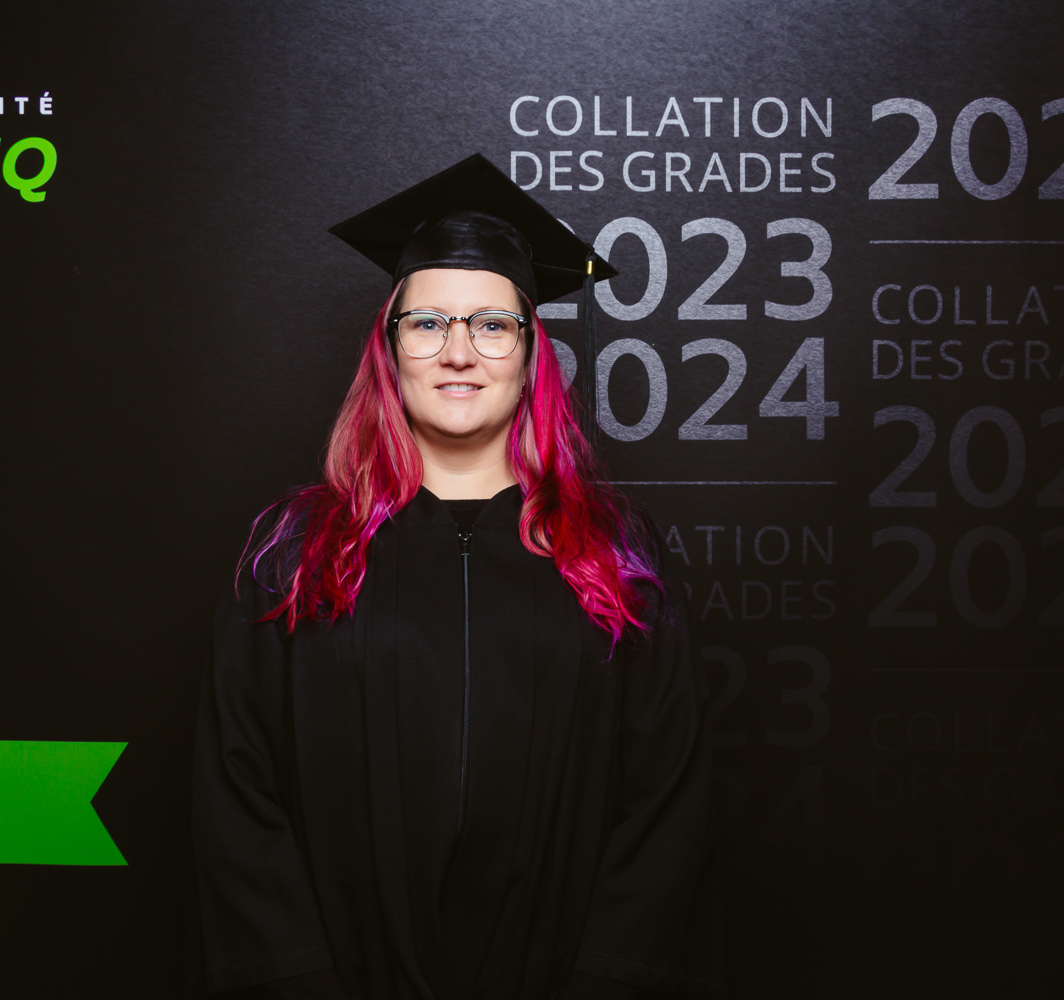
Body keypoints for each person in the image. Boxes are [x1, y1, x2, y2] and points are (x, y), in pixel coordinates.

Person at [190, 156, 724, 1000]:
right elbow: (237, 789)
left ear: (531, 353)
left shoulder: (616, 553)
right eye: (428, 323)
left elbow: (669, 798)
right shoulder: (293, 552)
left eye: (493, 325)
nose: (459, 353)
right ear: (390, 347)